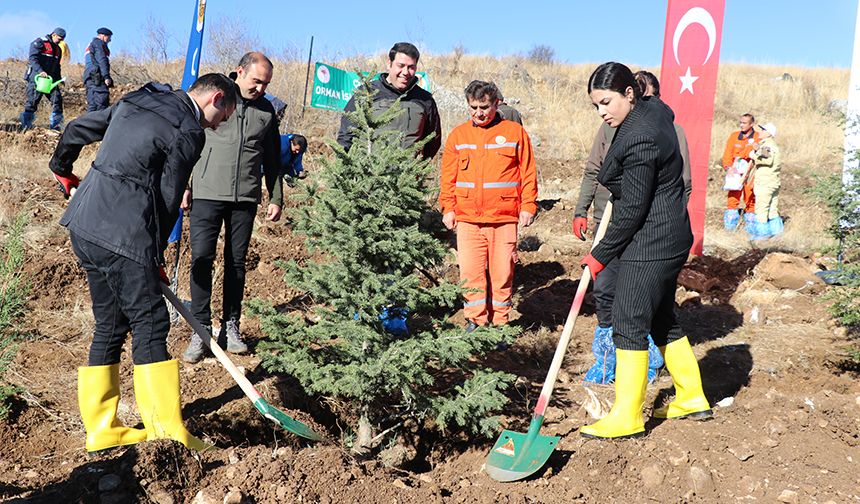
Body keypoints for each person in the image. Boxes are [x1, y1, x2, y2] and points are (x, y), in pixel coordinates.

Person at [48, 73, 237, 452]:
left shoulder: (139, 100)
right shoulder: (188, 130)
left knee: (111, 322)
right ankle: (165, 431)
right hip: (124, 234)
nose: (220, 125)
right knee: (151, 321)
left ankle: (102, 429)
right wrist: (155, 254)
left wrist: (62, 167)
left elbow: (76, 127)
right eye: (224, 116)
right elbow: (168, 200)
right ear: (216, 98)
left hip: (84, 224)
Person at [579, 62, 711, 440]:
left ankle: (627, 416)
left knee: (628, 319)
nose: (602, 112)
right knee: (660, 317)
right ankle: (690, 395)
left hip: (653, 239)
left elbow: (633, 207)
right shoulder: (652, 111)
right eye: (596, 106)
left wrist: (600, 252)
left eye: (606, 102)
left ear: (629, 94)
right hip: (669, 233)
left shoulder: (641, 138)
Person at [182, 52, 284, 363]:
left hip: (245, 197)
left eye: (266, 83)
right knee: (201, 258)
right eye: (257, 81)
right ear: (240, 72)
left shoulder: (267, 111)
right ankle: (200, 330)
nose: (261, 89)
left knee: (236, 263)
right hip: (206, 193)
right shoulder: (216, 97)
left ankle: (231, 326)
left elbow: (272, 160)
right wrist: (184, 186)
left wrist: (276, 197)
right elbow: (188, 141)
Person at [439, 80, 537, 330]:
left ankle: (501, 323)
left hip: (504, 218)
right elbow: (448, 177)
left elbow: (527, 172)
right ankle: (475, 320)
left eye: (484, 106)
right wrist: (448, 208)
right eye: (473, 107)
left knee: (502, 274)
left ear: (496, 104)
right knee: (470, 273)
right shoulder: (459, 135)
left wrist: (528, 205)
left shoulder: (515, 133)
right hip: (468, 219)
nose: (478, 113)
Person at [337, 42, 441, 161]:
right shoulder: (367, 93)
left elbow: (433, 141)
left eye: (411, 67)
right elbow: (346, 136)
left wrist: (416, 168)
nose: (406, 72)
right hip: (368, 177)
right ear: (389, 64)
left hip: (408, 178)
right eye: (401, 65)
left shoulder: (425, 100)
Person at [20, 27, 66, 130]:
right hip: (37, 78)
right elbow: (33, 58)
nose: (60, 41)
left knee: (57, 99)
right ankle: (26, 125)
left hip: (50, 80)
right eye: (59, 39)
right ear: (53, 35)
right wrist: (41, 71)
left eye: (62, 39)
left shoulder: (58, 49)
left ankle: (56, 125)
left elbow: (57, 65)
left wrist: (59, 79)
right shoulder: (40, 42)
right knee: (33, 101)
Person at [721, 114, 760, 230]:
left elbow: (757, 153)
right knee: (733, 198)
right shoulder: (734, 136)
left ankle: (751, 227)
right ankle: (730, 226)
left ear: (751, 124)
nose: (741, 125)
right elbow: (728, 153)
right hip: (735, 172)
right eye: (740, 122)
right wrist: (728, 168)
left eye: (744, 123)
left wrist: (745, 154)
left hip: (750, 172)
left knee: (751, 197)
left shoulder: (758, 137)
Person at [748, 122, 782, 239]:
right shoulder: (771, 145)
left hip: (765, 183)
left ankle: (761, 235)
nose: (760, 132)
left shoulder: (767, 145)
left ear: (769, 133)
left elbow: (767, 160)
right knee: (772, 209)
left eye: (763, 130)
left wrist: (754, 155)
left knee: (761, 209)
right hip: (773, 181)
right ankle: (777, 233)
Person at [83, 27, 114, 112]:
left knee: (92, 105)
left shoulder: (91, 44)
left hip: (90, 77)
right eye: (109, 37)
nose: (110, 40)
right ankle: (98, 125)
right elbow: (101, 59)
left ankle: (88, 124)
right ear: (103, 36)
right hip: (97, 77)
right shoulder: (99, 43)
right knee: (101, 105)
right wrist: (106, 76)